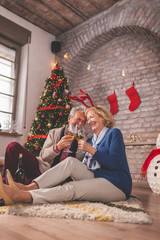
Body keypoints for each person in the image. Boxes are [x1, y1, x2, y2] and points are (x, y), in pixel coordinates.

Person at [0, 105, 132, 205]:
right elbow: (80, 165)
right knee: (70, 162)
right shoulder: (91, 140)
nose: (87, 122)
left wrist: (91, 150)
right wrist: (59, 147)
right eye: (87, 119)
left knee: (72, 188)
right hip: (94, 175)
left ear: (103, 117)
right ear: (70, 119)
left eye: (90, 117)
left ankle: (20, 196)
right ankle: (26, 187)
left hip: (115, 182)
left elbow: (115, 163)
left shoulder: (113, 134)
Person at [2, 106, 86, 184]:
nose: (80, 123)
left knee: (28, 184)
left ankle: (24, 183)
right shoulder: (54, 133)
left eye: (83, 121)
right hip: (41, 168)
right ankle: (6, 182)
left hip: (56, 179)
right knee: (13, 147)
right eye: (78, 119)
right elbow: (43, 156)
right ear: (69, 118)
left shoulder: (83, 141)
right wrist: (57, 147)